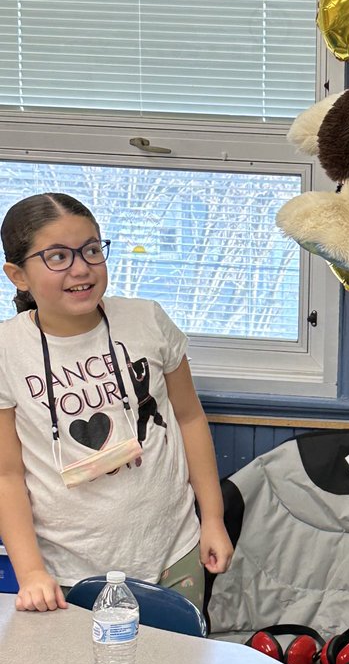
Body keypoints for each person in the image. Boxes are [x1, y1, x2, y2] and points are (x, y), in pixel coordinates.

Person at [0, 192, 233, 613]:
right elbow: (7, 475)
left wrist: (212, 518)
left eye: (91, 250)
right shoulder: (6, 349)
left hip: (173, 551)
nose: (81, 268)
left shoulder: (147, 319)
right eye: (58, 257)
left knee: (178, 658)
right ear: (18, 275)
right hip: (68, 571)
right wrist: (31, 572)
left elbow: (189, 418)